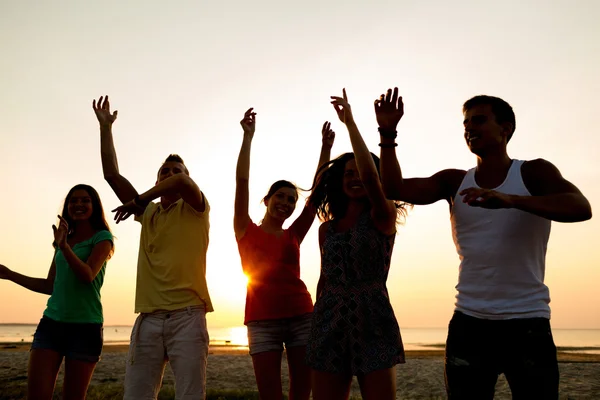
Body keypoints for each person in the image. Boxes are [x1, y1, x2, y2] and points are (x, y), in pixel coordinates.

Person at [375, 87, 593, 399]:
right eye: (466, 124)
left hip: (528, 322)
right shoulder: (454, 181)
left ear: (506, 129)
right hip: (469, 323)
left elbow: (580, 207)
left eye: (478, 121)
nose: (469, 129)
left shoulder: (533, 172)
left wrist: (510, 200)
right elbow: (392, 187)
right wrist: (388, 132)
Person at [92, 96, 213, 399]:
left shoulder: (197, 209)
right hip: (148, 318)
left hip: (188, 317)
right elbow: (112, 175)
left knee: (190, 395)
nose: (171, 175)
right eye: (165, 172)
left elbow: (183, 183)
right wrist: (105, 128)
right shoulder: (148, 213)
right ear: (156, 180)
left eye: (176, 170)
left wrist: (139, 199)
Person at [305, 90, 409, 400]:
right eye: (347, 174)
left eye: (359, 173)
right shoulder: (327, 230)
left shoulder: (382, 215)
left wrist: (351, 123)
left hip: (373, 318)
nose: (354, 178)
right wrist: (316, 319)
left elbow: (373, 180)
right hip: (328, 319)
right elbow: (324, 279)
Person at [234, 108, 334, 400]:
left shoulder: (294, 234)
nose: (287, 203)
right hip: (261, 321)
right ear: (266, 200)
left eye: (291, 200)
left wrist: (325, 149)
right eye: (281, 196)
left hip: (302, 316)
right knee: (270, 395)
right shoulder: (245, 229)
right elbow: (241, 182)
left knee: (301, 394)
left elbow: (316, 195)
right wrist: (247, 137)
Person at [0, 184, 114, 400]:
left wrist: (64, 247)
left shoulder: (102, 238)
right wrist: (9, 274)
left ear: (95, 206)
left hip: (85, 328)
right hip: (51, 325)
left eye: (85, 200)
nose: (78, 204)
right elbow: (50, 286)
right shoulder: (64, 242)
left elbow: (87, 275)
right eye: (73, 201)